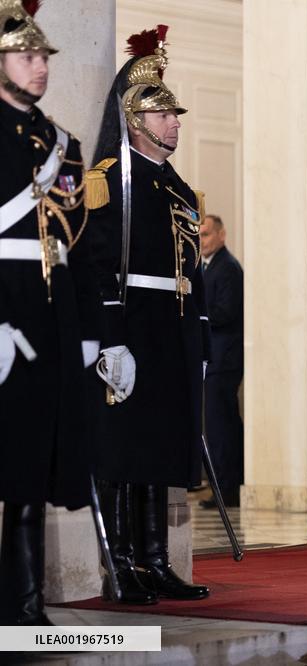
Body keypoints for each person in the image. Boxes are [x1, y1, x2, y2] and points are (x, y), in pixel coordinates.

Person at [87, 25, 210, 604]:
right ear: (137, 120)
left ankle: (156, 560)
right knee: (126, 447)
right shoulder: (111, 179)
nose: (175, 123)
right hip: (134, 325)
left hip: (173, 329)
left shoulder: (179, 189)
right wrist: (110, 338)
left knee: (161, 446)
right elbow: (98, 261)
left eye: (176, 115)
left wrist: (201, 341)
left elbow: (195, 270)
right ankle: (122, 564)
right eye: (165, 116)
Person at [0, 0, 100, 625]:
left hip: (50, 317)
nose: (40, 68)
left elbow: (79, 246)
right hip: (4, 309)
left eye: (43, 58)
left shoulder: (60, 142)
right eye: (27, 56)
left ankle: (24, 611)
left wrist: (90, 333)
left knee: (31, 466)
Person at [198, 214, 243, 509]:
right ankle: (221, 487)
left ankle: (227, 490)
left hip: (223, 359)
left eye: (206, 234)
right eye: (199, 235)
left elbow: (226, 312)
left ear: (222, 235)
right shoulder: (205, 267)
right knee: (215, 426)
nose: (202, 240)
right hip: (212, 359)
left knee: (221, 427)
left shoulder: (227, 267)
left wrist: (196, 316)